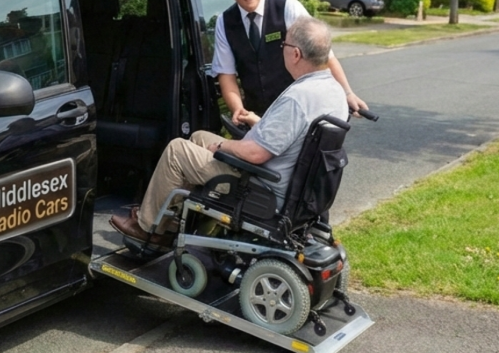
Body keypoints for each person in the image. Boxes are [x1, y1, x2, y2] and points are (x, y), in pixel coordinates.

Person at [111, 16, 349, 246]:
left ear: (296, 54)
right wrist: (258, 123)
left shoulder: (298, 97)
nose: (282, 50)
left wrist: (223, 146)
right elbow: (298, 135)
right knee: (198, 137)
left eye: (283, 45)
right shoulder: (334, 91)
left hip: (261, 186)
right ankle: (172, 223)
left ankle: (148, 229)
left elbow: (256, 154)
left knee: (177, 150)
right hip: (288, 184)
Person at [212, 0, 367, 128]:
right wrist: (238, 109)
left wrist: (347, 93)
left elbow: (323, 57)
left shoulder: (288, 8)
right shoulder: (225, 22)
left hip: (298, 112)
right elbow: (226, 74)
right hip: (256, 116)